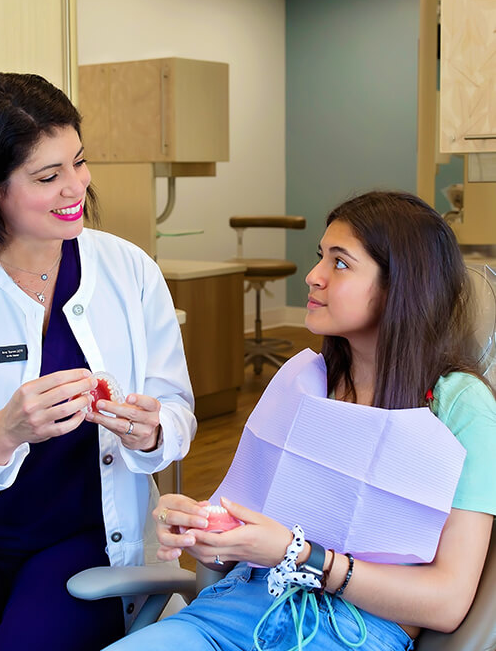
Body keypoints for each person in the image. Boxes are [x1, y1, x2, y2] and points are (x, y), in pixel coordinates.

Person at [105, 191, 496, 651]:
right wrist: (201, 528)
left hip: (350, 633)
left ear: (401, 286)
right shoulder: (305, 381)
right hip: (233, 611)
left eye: (341, 263)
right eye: (319, 257)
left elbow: (448, 603)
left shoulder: (460, 406)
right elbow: (241, 532)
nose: (313, 276)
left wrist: (298, 555)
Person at [0, 73, 196, 650]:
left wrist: (151, 429)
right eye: (49, 176)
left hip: (83, 538)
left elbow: (178, 415)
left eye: (79, 162)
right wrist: (0, 434)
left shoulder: (130, 271)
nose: (77, 188)